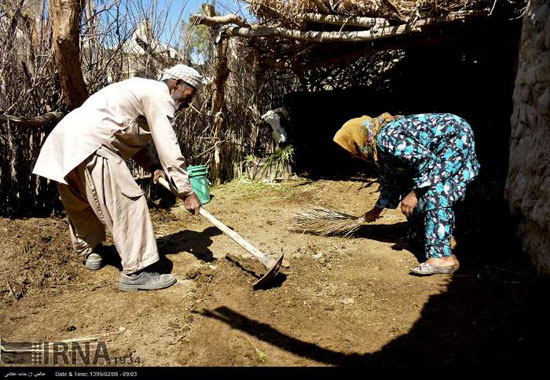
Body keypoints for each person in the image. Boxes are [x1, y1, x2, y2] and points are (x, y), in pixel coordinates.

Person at [33, 64, 204, 291]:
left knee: (81, 203)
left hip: (65, 142)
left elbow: (129, 132)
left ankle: (92, 251)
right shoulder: (160, 95)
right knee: (129, 203)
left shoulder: (138, 90)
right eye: (189, 93)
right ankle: (137, 272)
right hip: (94, 143)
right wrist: (186, 191)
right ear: (176, 84)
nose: (189, 101)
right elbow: (168, 145)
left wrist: (152, 165)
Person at [333, 113, 480, 275]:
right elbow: (391, 181)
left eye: (350, 149)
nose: (352, 155)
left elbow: (428, 162)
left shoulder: (387, 139)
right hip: (436, 150)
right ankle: (418, 239)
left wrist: (414, 194)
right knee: (409, 186)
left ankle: (442, 258)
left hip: (455, 137)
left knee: (435, 191)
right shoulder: (379, 149)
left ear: (358, 141)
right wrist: (375, 211)